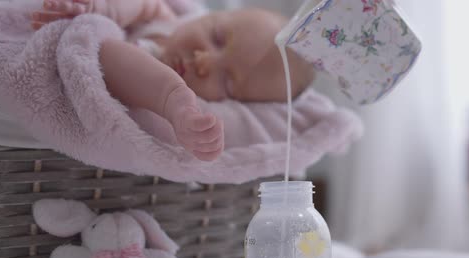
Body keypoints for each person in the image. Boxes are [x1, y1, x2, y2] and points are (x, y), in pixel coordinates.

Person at [31, 0, 315, 161]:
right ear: (213, 15)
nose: (204, 61)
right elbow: (144, 5)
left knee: (108, 51)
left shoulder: (193, 102)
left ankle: (168, 98)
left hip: (100, 61)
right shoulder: (167, 21)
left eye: (227, 81)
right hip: (69, 40)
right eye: (217, 39)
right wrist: (104, 10)